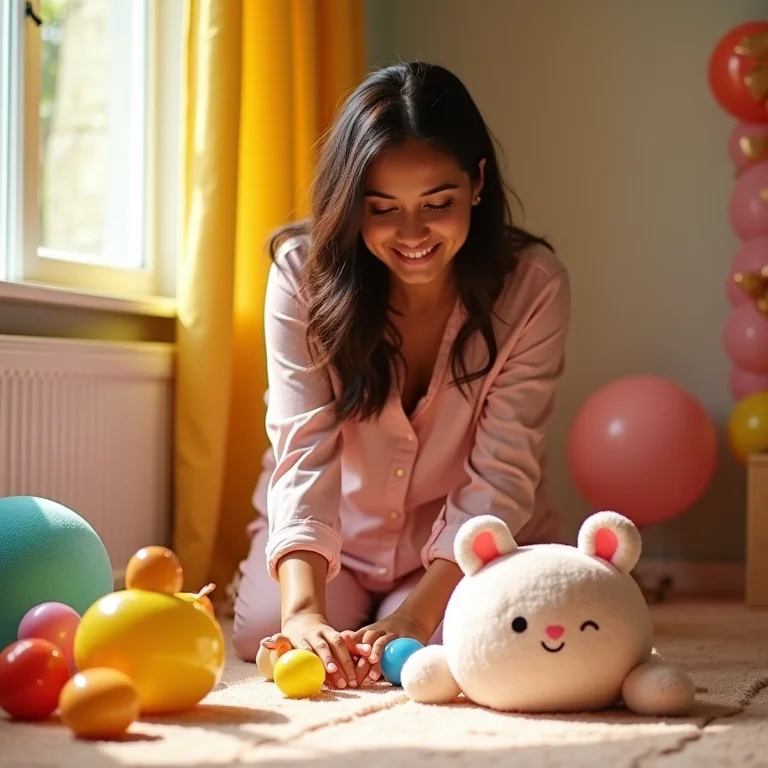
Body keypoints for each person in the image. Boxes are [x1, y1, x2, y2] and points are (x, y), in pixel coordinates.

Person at [231, 61, 571, 691]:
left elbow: (501, 472)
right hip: (341, 536)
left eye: (437, 203)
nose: (412, 234)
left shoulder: (533, 287)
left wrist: (418, 611)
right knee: (261, 632)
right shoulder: (301, 274)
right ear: (350, 203)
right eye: (382, 209)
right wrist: (303, 610)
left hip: (463, 545)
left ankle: (412, 607)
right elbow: (302, 445)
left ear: (477, 183)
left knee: (461, 640)